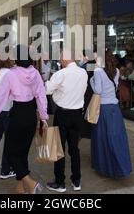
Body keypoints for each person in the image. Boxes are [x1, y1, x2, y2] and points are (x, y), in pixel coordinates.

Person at [0, 45, 48, 194]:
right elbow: (41, 96)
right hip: (31, 115)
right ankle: (20, 187)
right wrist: (43, 117)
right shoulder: (36, 73)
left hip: (17, 114)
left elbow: (0, 97)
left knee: (11, 151)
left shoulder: (11, 74)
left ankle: (30, 183)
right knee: (22, 152)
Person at [45, 52, 88, 193]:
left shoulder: (60, 74)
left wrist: (57, 93)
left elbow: (47, 89)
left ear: (64, 59)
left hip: (62, 114)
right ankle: (77, 181)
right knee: (74, 149)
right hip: (77, 115)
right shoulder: (83, 73)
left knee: (59, 149)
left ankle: (60, 183)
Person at [90, 54, 132, 178]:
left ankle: (105, 166)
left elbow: (97, 91)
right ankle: (121, 166)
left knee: (102, 138)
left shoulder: (97, 71)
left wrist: (91, 81)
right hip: (114, 108)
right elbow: (115, 87)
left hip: (103, 109)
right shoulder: (117, 71)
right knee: (116, 138)